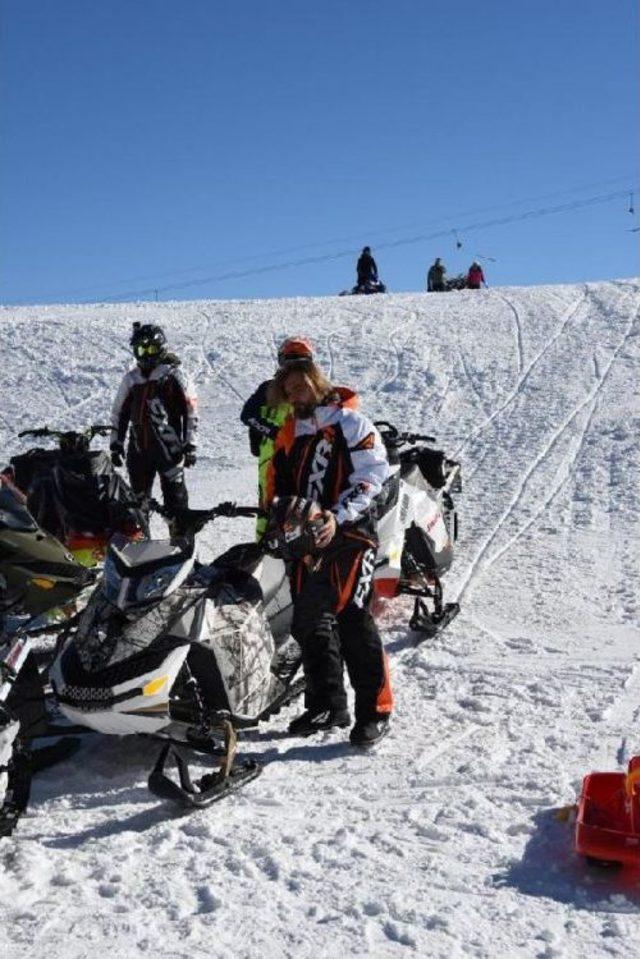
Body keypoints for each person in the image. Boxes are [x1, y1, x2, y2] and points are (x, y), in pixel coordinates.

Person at [266, 360, 394, 747]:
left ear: (316, 380)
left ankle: (376, 712)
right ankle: (327, 706)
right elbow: (282, 490)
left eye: (300, 383)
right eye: (288, 389)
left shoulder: (351, 423)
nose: (295, 392)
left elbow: (372, 476)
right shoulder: (292, 435)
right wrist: (278, 520)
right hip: (307, 542)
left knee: (354, 621)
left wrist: (336, 518)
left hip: (352, 536)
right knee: (308, 623)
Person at [110, 323, 198, 528]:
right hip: (138, 449)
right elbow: (118, 413)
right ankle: (140, 544)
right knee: (138, 502)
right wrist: (116, 443)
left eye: (150, 348)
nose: (145, 354)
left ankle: (182, 541)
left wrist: (191, 444)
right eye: (141, 349)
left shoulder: (175, 375)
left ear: (161, 347)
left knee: (175, 500)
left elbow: (191, 411)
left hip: (169, 449)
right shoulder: (132, 379)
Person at [240, 337, 314, 539]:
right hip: (273, 460)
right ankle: (264, 551)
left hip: (303, 459)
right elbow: (247, 415)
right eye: (290, 361)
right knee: (269, 508)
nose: (294, 367)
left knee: (303, 506)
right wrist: (273, 432)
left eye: (300, 361)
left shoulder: (314, 389)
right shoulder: (269, 388)